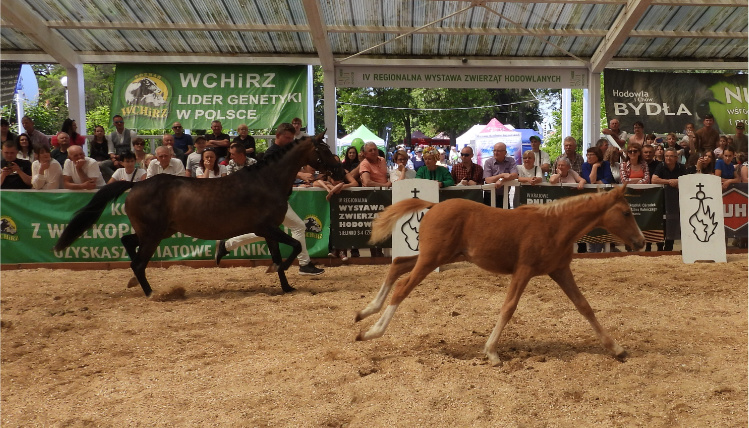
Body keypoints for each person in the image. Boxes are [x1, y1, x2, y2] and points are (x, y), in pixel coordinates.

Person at [215, 123, 325, 275]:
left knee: (267, 231)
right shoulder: (272, 152)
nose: (290, 140)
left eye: (292, 138)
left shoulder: (286, 151)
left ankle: (227, 245)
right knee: (296, 226)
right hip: (271, 201)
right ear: (278, 136)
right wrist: (300, 175)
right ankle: (304, 264)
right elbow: (274, 174)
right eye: (287, 137)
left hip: (277, 200)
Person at [651, 147, 688, 251]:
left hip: (676, 201)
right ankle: (659, 247)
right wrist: (669, 181)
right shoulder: (661, 166)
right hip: (662, 200)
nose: (668, 158)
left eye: (671, 156)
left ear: (676, 157)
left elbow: (686, 181)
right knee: (661, 222)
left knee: (673, 223)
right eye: (666, 156)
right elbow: (654, 180)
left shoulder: (681, 167)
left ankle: (669, 247)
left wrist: (678, 181)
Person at [483, 142, 518, 207]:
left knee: (505, 216)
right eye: (494, 150)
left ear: (505, 152)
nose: (495, 153)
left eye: (498, 151)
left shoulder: (511, 160)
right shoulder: (488, 162)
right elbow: (488, 180)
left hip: (504, 195)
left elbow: (514, 175)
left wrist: (502, 180)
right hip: (489, 195)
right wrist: (502, 175)